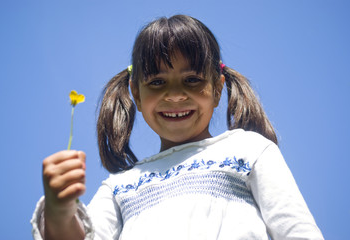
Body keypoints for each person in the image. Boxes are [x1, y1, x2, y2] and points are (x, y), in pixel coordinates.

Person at [31, 15, 324, 239]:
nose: (174, 95)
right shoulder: (119, 186)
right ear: (136, 93)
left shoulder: (249, 150)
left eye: (192, 80)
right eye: (157, 82)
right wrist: (59, 211)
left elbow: (298, 231)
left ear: (218, 89)